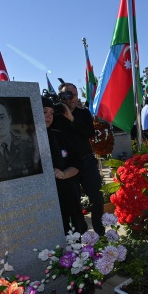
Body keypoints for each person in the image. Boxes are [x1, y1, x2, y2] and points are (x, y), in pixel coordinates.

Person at [51, 82, 104, 235]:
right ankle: (80, 236)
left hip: (87, 162)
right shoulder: (55, 116)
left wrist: (71, 117)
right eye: (69, 94)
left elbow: (89, 133)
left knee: (97, 198)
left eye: (75, 94)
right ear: (61, 96)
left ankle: (100, 232)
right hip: (69, 166)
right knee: (74, 204)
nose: (73, 98)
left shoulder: (84, 113)